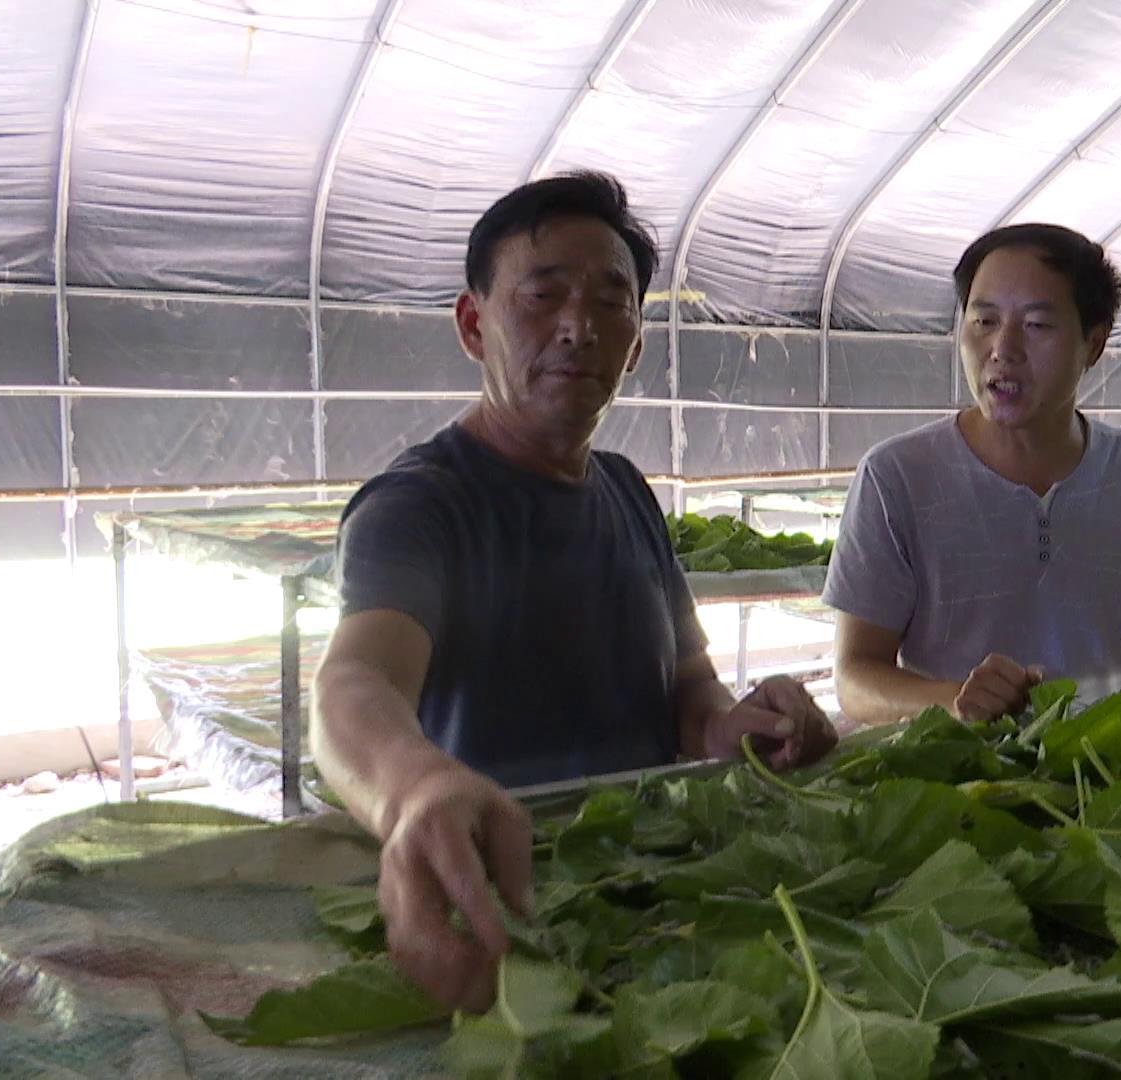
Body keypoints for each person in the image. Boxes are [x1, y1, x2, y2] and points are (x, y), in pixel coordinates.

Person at [311, 171, 836, 1011]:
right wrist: (413, 787)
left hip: (643, 902)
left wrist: (736, 726)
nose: (578, 327)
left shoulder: (627, 491)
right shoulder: (419, 506)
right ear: (473, 325)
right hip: (493, 913)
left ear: (635, 344)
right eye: (542, 295)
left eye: (611, 302)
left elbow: (690, 692)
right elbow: (355, 680)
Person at [824, 223, 1121, 728]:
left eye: (1037, 325)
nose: (1003, 348)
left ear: (1094, 344)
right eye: (984, 321)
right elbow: (855, 677)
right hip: (954, 767)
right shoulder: (895, 478)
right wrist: (953, 700)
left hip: (1099, 764)